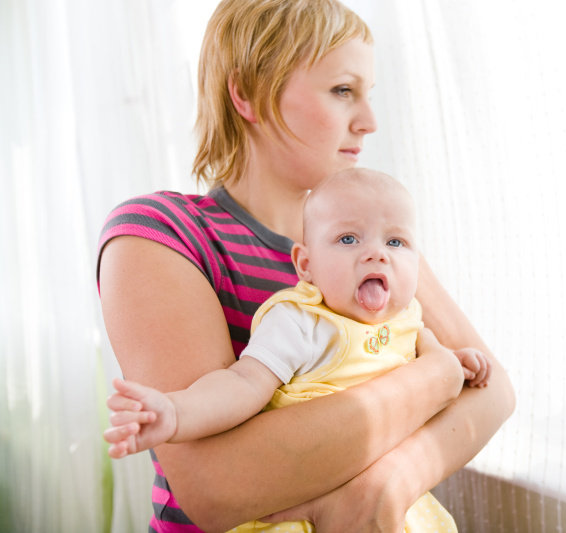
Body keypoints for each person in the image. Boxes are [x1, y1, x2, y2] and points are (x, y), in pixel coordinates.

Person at [97, 0, 515, 531]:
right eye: (343, 91)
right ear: (246, 94)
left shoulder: (374, 245)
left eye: (367, 95)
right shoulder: (163, 233)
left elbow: (494, 391)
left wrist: (384, 487)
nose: (369, 123)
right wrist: (435, 376)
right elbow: (220, 487)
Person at [104, 168, 491, 532]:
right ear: (305, 264)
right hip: (295, 511)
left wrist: (456, 364)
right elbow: (243, 383)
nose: (378, 254)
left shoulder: (409, 319)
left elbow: (446, 373)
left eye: (395, 242)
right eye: (348, 239)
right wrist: (176, 412)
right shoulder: (301, 321)